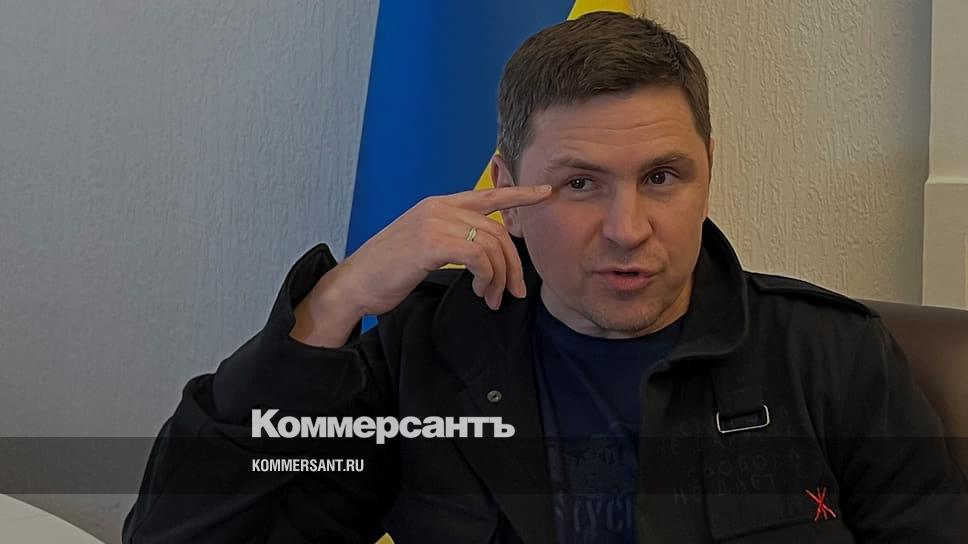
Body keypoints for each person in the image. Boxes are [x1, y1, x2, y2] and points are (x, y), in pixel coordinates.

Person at [123, 11, 968, 544]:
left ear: (709, 172)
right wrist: (333, 305)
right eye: (579, 184)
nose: (627, 227)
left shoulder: (831, 356)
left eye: (662, 177)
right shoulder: (426, 356)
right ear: (507, 193)